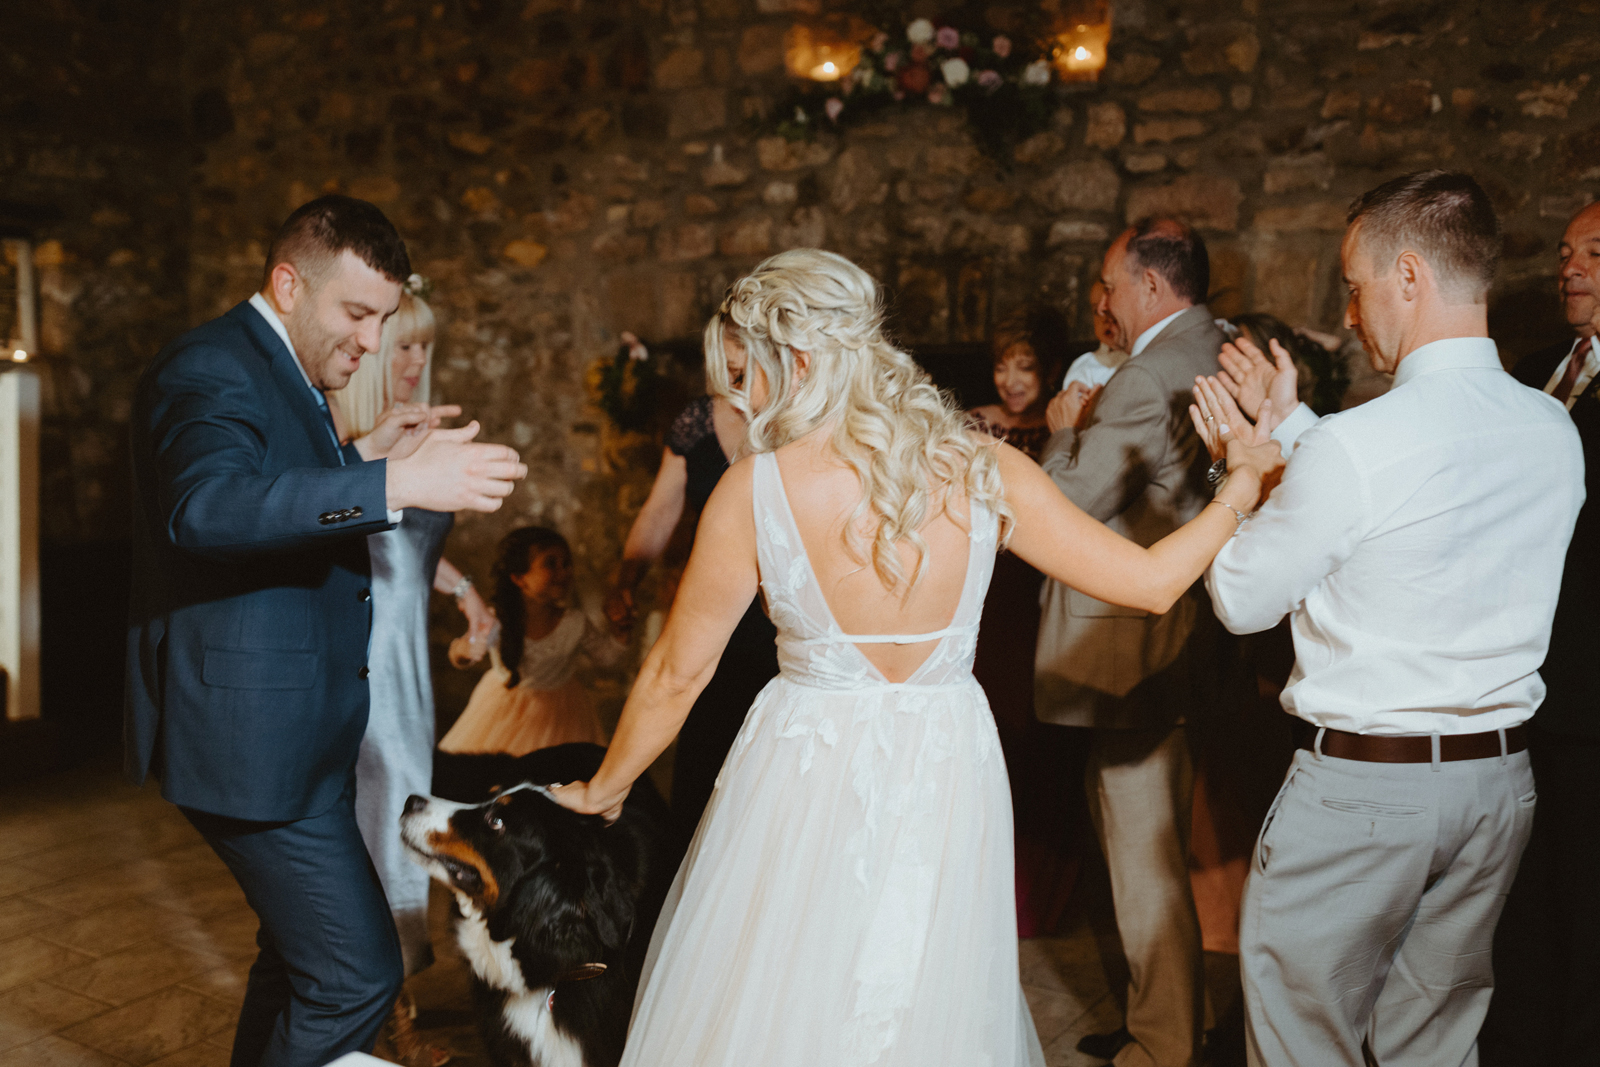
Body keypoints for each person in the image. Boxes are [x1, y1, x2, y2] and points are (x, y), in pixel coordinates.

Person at [545, 248, 1283, 1067]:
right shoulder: (986, 467)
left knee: (791, 982)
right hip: (945, 759)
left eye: (746, 376)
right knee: (918, 978)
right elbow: (1151, 583)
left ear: (798, 362)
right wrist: (1239, 486)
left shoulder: (753, 489)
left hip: (805, 764)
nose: (740, 401)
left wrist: (605, 789)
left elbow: (676, 673)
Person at [125, 195, 527, 1067]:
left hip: (301, 734)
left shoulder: (284, 369)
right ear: (287, 284)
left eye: (385, 318)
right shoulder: (210, 363)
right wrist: (392, 487)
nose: (373, 342)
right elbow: (206, 506)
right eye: (357, 314)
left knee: (297, 960)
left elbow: (271, 483)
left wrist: (363, 457)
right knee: (356, 973)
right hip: (250, 740)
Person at [1197, 171, 1582, 1067]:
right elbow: (1409, 509)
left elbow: (1242, 597)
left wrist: (1238, 473)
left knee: (1303, 1040)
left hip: (1365, 796)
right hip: (1496, 788)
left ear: (1408, 275)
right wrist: (1295, 425)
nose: (1351, 310)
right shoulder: (1551, 428)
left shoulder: (1356, 446)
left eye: (1354, 284)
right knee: (1433, 1045)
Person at [1034, 216, 1225, 1067]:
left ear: (1151, 284)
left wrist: (1061, 427)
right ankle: (1175, 1016)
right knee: (1151, 848)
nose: (1104, 302)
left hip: (1133, 650)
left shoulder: (1145, 375)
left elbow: (1065, 503)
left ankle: (1162, 1045)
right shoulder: (1217, 345)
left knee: (1142, 856)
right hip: (1188, 636)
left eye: (1111, 284)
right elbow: (1201, 479)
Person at [324, 281, 494, 1067]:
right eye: (403, 344)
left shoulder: (420, 430)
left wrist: (466, 592)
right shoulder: (345, 440)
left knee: (397, 813)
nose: (416, 359)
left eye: (425, 345)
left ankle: (385, 1001)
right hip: (363, 656)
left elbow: (415, 542)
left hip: (409, 661)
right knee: (383, 819)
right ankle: (387, 1013)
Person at [1479, 199, 1600, 1066]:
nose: (1570, 267)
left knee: (1589, 896)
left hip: (1592, 688)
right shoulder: (1530, 373)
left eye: (1594, 252)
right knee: (1518, 895)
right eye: (1564, 252)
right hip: (1515, 683)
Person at [605, 374, 779, 839]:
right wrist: (627, 578)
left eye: (743, 370)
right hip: (715, 613)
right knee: (704, 765)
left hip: (782, 623)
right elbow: (660, 509)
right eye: (728, 368)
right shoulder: (697, 422)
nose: (734, 381)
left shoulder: (805, 417)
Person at [965, 305, 1080, 937]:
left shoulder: (1072, 430)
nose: (1010, 380)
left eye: (1025, 367)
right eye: (1001, 365)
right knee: (990, 735)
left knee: (1041, 744)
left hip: (1045, 598)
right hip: (986, 600)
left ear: (1050, 370)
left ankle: (1032, 896)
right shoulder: (972, 425)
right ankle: (977, 889)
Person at [440, 525, 628, 755]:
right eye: (551, 564)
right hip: (502, 708)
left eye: (566, 563)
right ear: (519, 578)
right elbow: (459, 655)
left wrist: (620, 632)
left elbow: (606, 657)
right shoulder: (496, 620)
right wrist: (468, 649)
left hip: (564, 712)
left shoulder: (575, 622)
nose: (563, 571)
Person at [1057, 278, 1131, 424]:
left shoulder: (1142, 357)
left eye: (1110, 309)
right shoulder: (1085, 366)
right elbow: (1067, 411)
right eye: (1096, 311)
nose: (1105, 318)